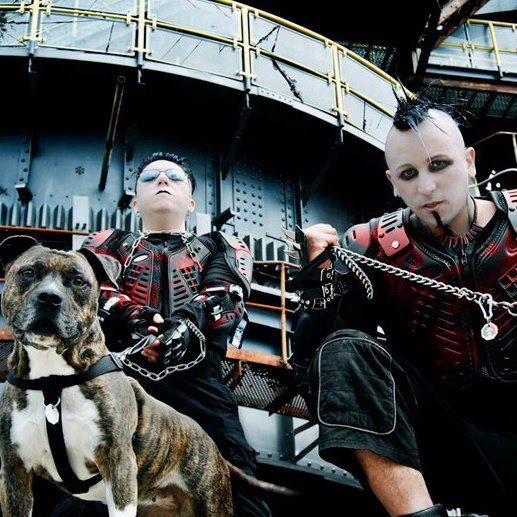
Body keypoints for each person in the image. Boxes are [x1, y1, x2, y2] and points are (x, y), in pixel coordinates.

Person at [291, 96, 517, 517]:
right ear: (392, 181)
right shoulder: (372, 246)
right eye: (409, 174)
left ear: (469, 161)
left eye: (440, 165)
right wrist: (319, 276)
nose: (426, 188)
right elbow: (316, 360)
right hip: (442, 443)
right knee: (345, 348)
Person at [80, 151, 270, 516]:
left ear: (192, 201)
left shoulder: (221, 245)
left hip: (198, 377)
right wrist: (133, 318)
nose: (162, 181)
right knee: (86, 482)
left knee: (235, 480)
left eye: (173, 177)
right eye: (151, 178)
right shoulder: (107, 242)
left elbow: (226, 294)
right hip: (116, 375)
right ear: (135, 202)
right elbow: (91, 287)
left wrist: (184, 324)